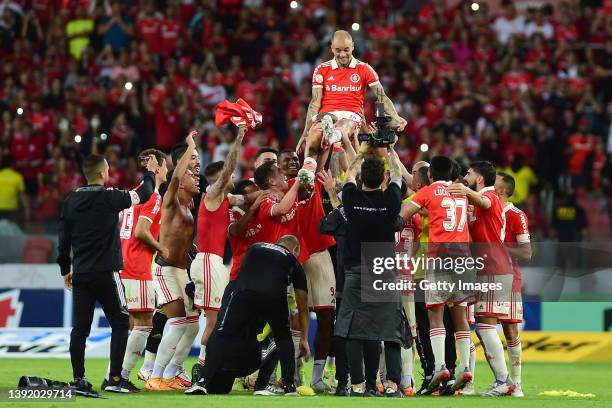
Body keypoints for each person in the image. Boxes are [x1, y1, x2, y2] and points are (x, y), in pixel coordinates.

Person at [57, 153, 158, 395]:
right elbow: (144, 193)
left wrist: (65, 270)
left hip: (81, 273)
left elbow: (63, 241)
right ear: (103, 173)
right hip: (107, 273)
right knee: (121, 322)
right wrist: (151, 172)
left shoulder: (70, 200)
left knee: (80, 328)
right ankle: (115, 377)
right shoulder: (110, 197)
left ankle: (79, 379)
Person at [185, 236, 311, 396]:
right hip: (274, 297)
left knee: (221, 334)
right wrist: (305, 339)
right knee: (283, 337)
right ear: (296, 250)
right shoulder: (293, 260)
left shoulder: (256, 247)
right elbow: (302, 305)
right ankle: (286, 387)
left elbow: (243, 275)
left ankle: (203, 382)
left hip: (243, 294)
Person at [336, 144, 407, 397]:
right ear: (384, 179)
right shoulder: (391, 200)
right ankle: (392, 386)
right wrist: (390, 151)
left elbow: (347, 177)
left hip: (356, 271)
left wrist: (360, 152)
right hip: (384, 272)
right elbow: (398, 176)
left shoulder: (352, 198)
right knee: (390, 330)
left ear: (360, 178)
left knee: (354, 330)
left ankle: (357, 386)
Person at [296, 30, 407, 185]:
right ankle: (308, 169)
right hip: (326, 115)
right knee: (314, 132)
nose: (342, 54)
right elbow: (315, 102)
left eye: (346, 50)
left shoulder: (364, 69)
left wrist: (396, 117)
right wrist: (305, 132)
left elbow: (382, 96)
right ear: (331, 48)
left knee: (343, 126)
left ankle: (331, 136)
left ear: (353, 47)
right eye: (338, 50)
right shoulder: (321, 69)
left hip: (350, 114)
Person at [402, 156, 473, 394]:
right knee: (459, 315)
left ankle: (440, 366)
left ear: (430, 175)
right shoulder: (461, 192)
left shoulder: (430, 190)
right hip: (463, 259)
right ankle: (464, 367)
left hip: (440, 258)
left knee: (436, 314)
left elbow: (403, 214)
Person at [447, 161, 515, 396]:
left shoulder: (489, 196)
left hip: (493, 267)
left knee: (486, 327)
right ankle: (500, 380)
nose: (465, 176)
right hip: (488, 267)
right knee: (484, 326)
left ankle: (504, 380)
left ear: (479, 179)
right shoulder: (477, 200)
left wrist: (465, 191)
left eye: (469, 173)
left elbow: (485, 202)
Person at [191, 125, 247, 381]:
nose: (233, 179)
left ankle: (191, 368)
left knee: (213, 317)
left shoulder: (224, 199)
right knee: (213, 320)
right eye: (230, 176)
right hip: (208, 260)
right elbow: (228, 173)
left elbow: (247, 200)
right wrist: (239, 139)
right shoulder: (212, 194)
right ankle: (202, 368)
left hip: (212, 261)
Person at [146, 131, 201, 391]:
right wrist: (190, 147)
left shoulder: (190, 208)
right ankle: (155, 376)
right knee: (178, 322)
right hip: (165, 270)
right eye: (192, 177)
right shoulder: (172, 202)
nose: (196, 178)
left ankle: (170, 373)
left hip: (181, 271)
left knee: (192, 325)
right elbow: (177, 175)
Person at [114, 149, 168, 392]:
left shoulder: (131, 196)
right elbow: (141, 233)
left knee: (131, 325)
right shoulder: (152, 197)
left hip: (122, 265)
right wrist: (161, 248)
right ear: (157, 168)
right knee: (145, 323)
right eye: (165, 166)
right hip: (138, 267)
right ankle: (120, 376)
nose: (167, 170)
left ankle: (113, 376)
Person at [496, 172, 532, 398]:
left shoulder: (516, 215)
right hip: (483, 276)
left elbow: (527, 252)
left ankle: (516, 384)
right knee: (484, 328)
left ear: (502, 190)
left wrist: (499, 249)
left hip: (509, 278)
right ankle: (500, 380)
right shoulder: (486, 208)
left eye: (495, 183)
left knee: (510, 329)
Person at [0, 155, 28, 224]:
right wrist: (26, 208)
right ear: (13, 165)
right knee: (12, 230)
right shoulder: (18, 177)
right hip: (12, 208)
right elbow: (22, 195)